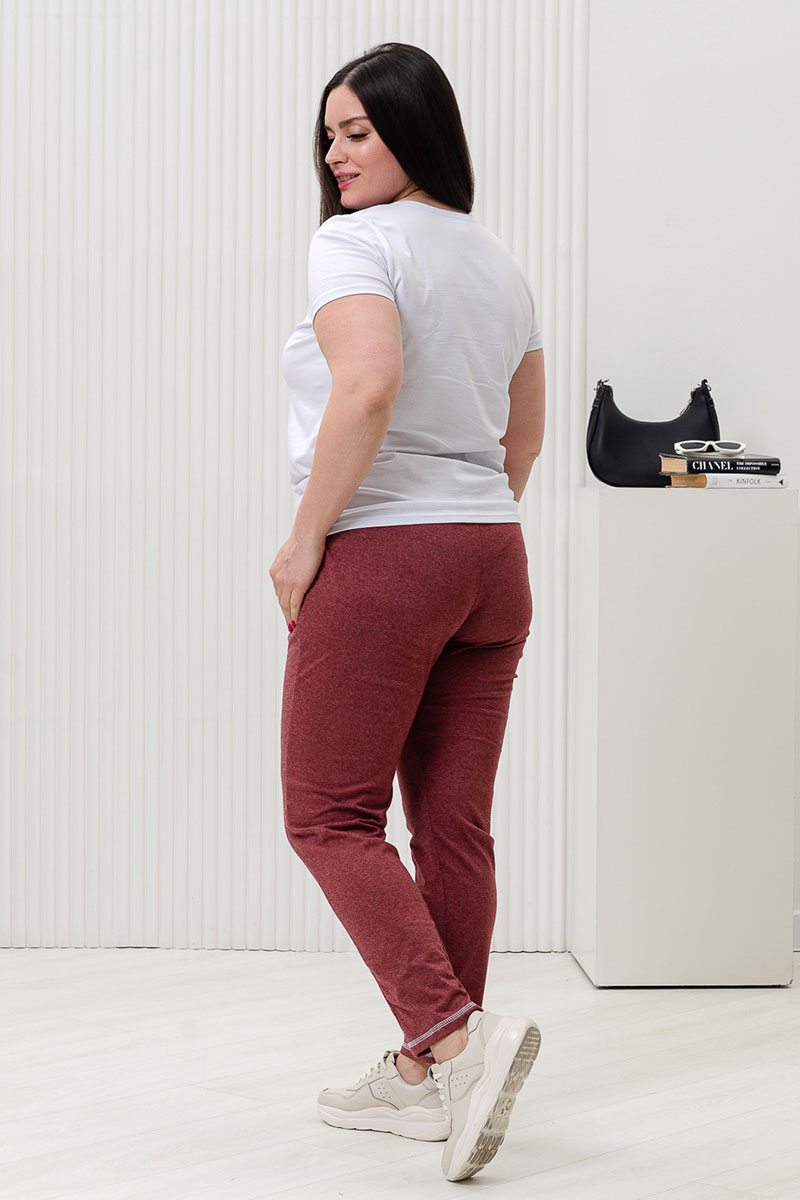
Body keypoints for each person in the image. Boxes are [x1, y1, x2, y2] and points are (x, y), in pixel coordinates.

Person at [269, 42, 546, 1184]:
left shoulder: (356, 244)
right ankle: (433, 1077)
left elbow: (368, 384)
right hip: (492, 555)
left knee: (327, 816)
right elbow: (523, 436)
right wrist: (465, 524)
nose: (336, 155)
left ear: (414, 132)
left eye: (359, 132)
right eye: (329, 134)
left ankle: (450, 1037)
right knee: (453, 828)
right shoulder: (498, 262)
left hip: (387, 549)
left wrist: (307, 541)